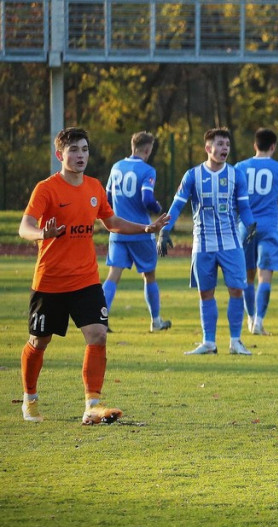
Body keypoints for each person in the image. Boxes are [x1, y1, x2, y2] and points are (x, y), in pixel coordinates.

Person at [19, 127, 169, 424]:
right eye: (74, 150)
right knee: (39, 341)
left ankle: (92, 405)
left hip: (86, 279)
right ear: (59, 154)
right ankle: (30, 399)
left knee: (98, 335)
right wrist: (41, 233)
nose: (80, 155)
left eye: (85, 149)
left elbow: (111, 221)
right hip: (50, 281)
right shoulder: (46, 189)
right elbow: (24, 227)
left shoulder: (94, 187)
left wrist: (147, 228)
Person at [161, 127, 257, 356]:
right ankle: (209, 342)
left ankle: (235, 341)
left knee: (237, 290)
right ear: (208, 148)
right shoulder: (192, 175)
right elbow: (176, 206)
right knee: (206, 293)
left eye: (227, 144)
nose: (225, 148)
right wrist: (164, 231)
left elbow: (243, 206)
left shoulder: (236, 175)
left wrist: (251, 224)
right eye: (220, 144)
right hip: (202, 245)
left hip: (231, 244)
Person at [102, 131, 172, 332]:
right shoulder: (148, 170)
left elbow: (106, 198)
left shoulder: (116, 167)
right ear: (148, 150)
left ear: (132, 146)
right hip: (141, 230)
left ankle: (101, 319)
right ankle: (156, 321)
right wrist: (160, 211)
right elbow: (147, 199)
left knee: (113, 275)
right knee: (149, 275)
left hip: (117, 230)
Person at [235, 127, 278, 336]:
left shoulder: (240, 167)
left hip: (246, 227)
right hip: (269, 227)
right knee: (265, 275)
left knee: (247, 277)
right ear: (273, 147)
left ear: (255, 146)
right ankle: (259, 321)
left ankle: (250, 319)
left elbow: (233, 200)